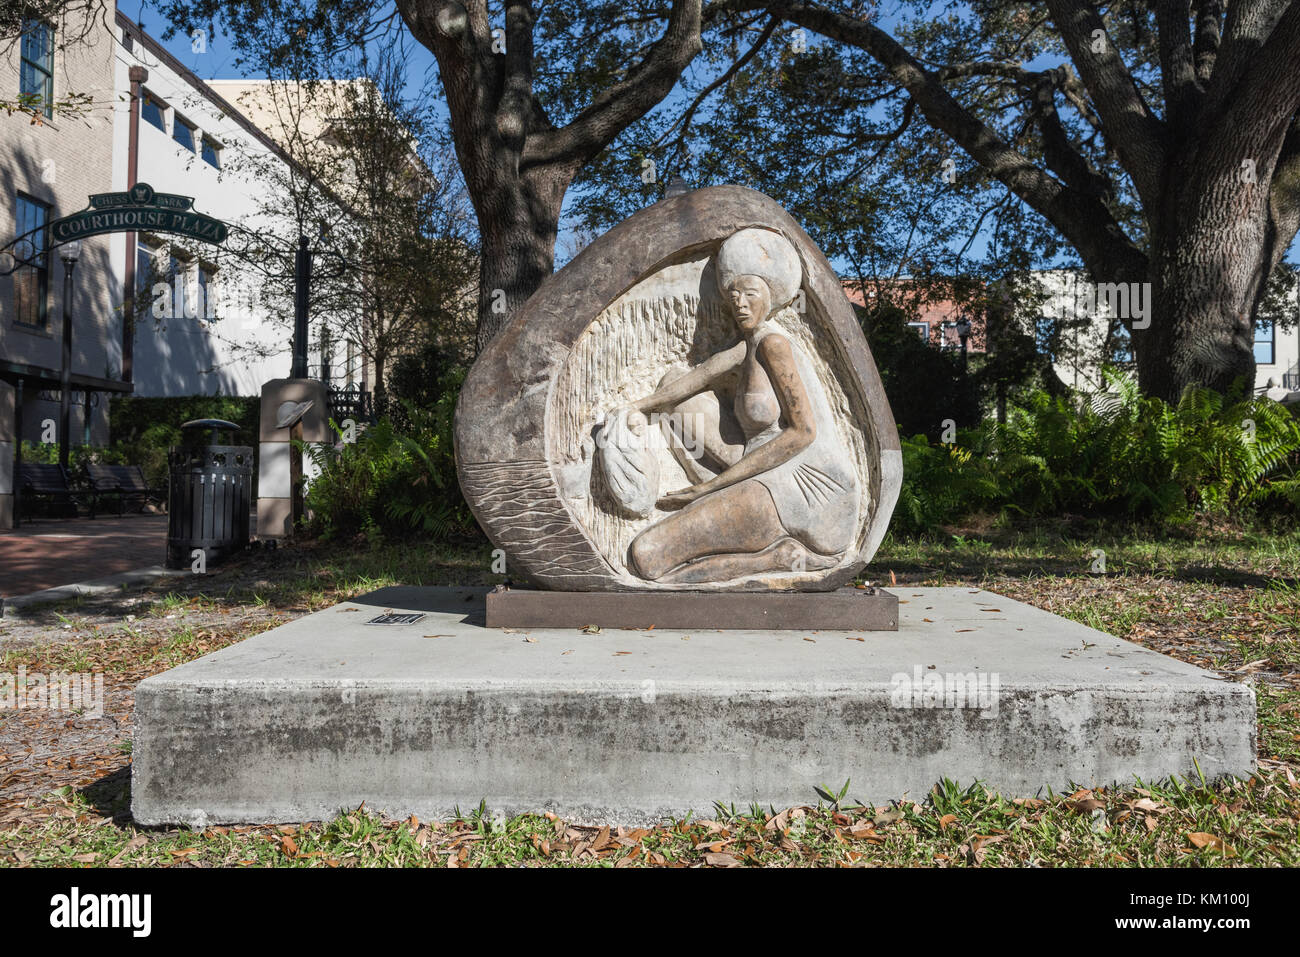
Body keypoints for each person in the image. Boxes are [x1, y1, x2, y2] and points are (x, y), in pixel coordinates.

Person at [623, 228, 858, 584]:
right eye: (733, 294)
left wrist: (710, 489)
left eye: (750, 293)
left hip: (801, 491)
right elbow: (697, 377)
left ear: (772, 296)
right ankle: (742, 528)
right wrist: (637, 407)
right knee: (672, 382)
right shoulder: (749, 345)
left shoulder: (774, 345)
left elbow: (803, 433)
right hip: (758, 466)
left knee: (648, 556)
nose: (740, 303)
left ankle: (775, 557)